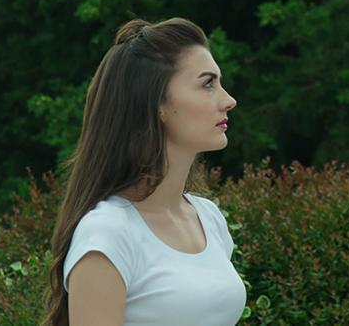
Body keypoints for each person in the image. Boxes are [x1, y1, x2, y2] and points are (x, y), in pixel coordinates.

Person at [43, 18, 245, 326]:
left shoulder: (208, 218)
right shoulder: (108, 233)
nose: (228, 100)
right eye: (207, 84)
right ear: (156, 104)